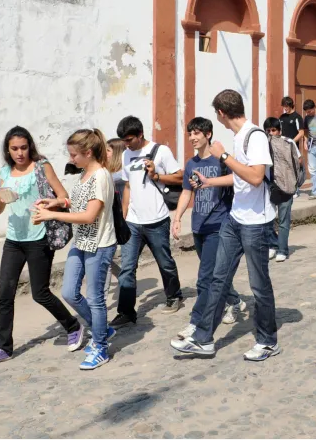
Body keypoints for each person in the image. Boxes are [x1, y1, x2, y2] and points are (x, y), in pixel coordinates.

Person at [171, 89, 280, 361]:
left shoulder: (254, 136)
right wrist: (210, 182)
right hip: (236, 218)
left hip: (256, 223)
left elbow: (256, 177)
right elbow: (240, 178)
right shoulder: (238, 136)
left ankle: (267, 341)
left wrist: (223, 158)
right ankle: (204, 339)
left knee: (259, 285)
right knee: (217, 278)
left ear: (220, 113)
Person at [0, 127, 81, 367]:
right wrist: (0, 199)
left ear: (30, 147)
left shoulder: (41, 166)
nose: (20, 153)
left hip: (39, 238)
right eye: (14, 148)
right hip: (14, 240)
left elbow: (64, 196)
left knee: (40, 293)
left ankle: (72, 325)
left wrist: (48, 208)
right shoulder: (5, 171)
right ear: (8, 150)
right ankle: (3, 348)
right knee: (4, 294)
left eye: (23, 147)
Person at [32, 129, 118, 370]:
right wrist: (59, 202)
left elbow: (90, 216)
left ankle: (100, 346)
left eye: (73, 155)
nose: (71, 159)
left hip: (99, 245)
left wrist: (51, 214)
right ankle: (103, 329)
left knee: (96, 299)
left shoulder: (101, 176)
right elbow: (79, 204)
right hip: (80, 243)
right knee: (69, 292)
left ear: (87, 152)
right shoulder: (84, 173)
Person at [172, 117, 245, 343]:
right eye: (190, 133)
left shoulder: (220, 161)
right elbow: (186, 192)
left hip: (219, 226)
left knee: (204, 278)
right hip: (199, 226)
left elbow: (238, 179)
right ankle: (234, 301)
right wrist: (177, 218)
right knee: (215, 274)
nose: (193, 138)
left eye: (197, 133)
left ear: (208, 134)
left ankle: (196, 322)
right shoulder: (192, 164)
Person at [112, 116, 185, 327]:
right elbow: (127, 185)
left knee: (165, 263)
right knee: (127, 268)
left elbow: (180, 177)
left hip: (157, 220)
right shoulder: (126, 154)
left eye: (129, 139)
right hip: (133, 222)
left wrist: (156, 176)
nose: (126, 144)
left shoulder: (161, 151)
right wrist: (124, 215)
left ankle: (174, 296)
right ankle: (126, 312)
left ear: (140, 134)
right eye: (124, 140)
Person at [264, 117, 300, 262]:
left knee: (284, 221)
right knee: (267, 220)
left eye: (274, 130)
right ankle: (273, 244)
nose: (271, 133)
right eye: (268, 131)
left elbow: (297, 162)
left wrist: (293, 181)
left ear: (279, 130)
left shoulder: (288, 143)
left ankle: (282, 249)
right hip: (268, 186)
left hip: (286, 186)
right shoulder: (262, 144)